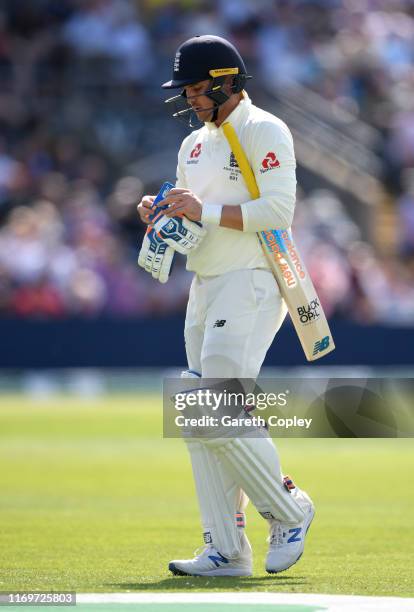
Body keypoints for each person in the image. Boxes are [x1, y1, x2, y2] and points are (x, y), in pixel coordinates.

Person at [137, 35, 314, 577]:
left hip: (254, 278)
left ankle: (289, 512)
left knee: (214, 401)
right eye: (186, 89)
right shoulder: (194, 145)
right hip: (207, 281)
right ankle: (226, 549)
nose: (189, 98)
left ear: (224, 81)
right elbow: (195, 216)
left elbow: (277, 211)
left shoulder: (265, 130)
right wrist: (163, 211)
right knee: (198, 412)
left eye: (195, 88)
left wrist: (205, 209)